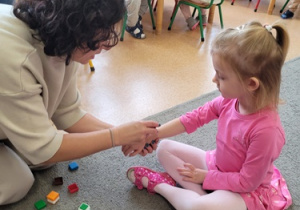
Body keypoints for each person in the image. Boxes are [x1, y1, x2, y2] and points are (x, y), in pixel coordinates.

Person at [0, 0, 159, 205]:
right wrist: (116, 136)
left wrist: (124, 134)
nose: (103, 47)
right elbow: (43, 148)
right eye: (100, 35)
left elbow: (67, 112)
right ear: (74, 24)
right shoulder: (15, 58)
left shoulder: (64, 42)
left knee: (42, 158)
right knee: (17, 182)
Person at [124, 21, 293, 210]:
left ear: (251, 84)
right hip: (218, 165)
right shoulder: (229, 100)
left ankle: (162, 186)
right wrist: (157, 133)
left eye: (221, 76)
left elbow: (247, 182)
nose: (214, 80)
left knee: (199, 207)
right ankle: (200, 196)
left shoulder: (267, 131)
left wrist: (204, 177)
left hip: (244, 191)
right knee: (164, 148)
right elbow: (194, 118)